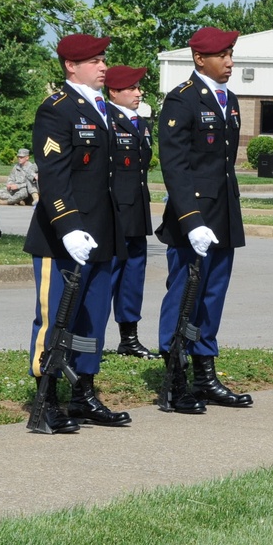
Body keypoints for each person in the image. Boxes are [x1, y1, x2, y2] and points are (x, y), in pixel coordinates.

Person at [23, 33, 130, 433]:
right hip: (63, 234)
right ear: (71, 65)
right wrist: (69, 226)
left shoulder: (105, 109)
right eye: (95, 60)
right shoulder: (57, 109)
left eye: (103, 60)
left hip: (101, 232)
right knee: (55, 318)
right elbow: (54, 176)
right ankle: (45, 396)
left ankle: (83, 390)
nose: (104, 66)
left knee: (92, 318)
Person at [156, 26, 253, 413]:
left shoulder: (228, 99)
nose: (230, 63)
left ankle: (204, 373)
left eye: (231, 55)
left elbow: (224, 165)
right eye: (223, 56)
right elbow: (175, 166)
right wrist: (192, 219)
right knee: (184, 296)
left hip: (223, 214)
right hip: (192, 218)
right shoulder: (181, 100)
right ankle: (174, 375)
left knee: (212, 298)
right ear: (200, 59)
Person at [105, 65, 156, 359]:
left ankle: (129, 338)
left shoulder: (141, 123)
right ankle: (93, 338)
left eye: (139, 88)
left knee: (133, 277)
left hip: (136, 210)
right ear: (114, 92)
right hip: (113, 212)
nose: (138, 93)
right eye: (132, 88)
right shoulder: (105, 120)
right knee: (108, 277)